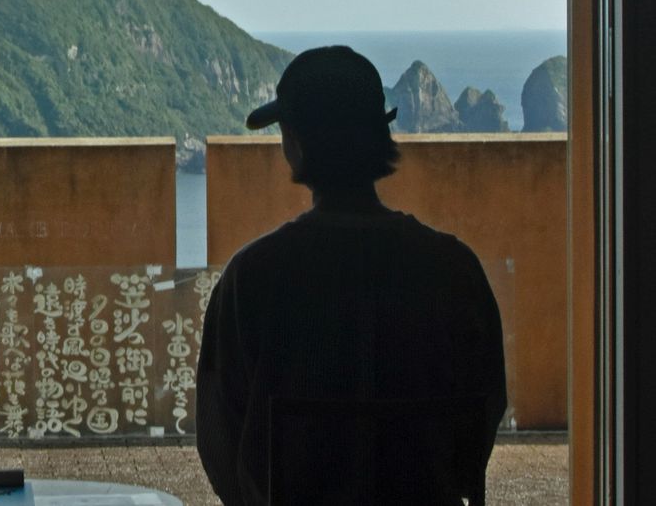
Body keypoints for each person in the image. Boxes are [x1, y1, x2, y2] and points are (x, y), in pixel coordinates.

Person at [195, 46, 506, 505]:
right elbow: (482, 413)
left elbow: (220, 437)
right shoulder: (453, 270)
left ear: (295, 144)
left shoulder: (252, 279)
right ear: (379, 136)